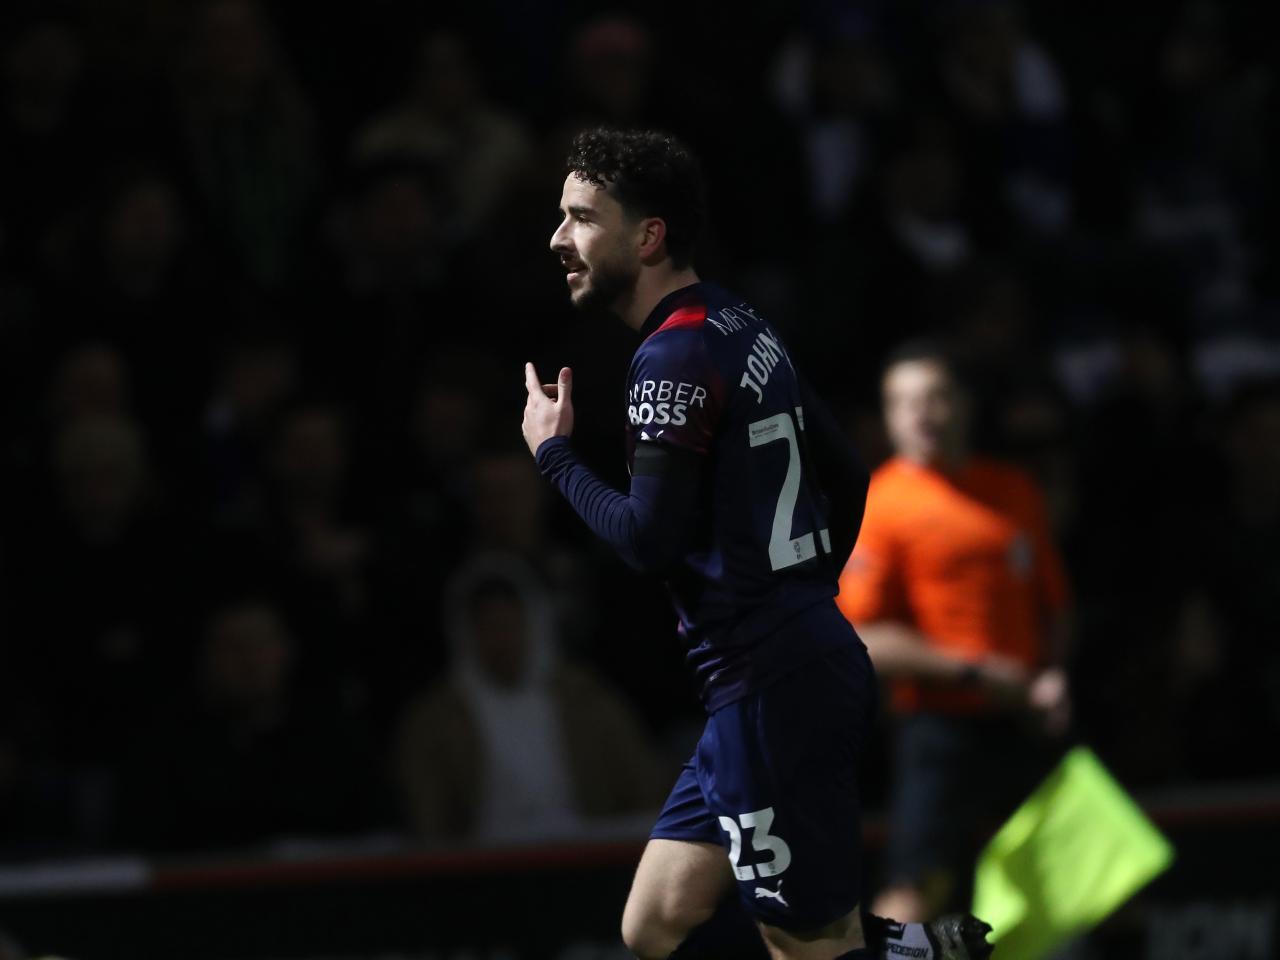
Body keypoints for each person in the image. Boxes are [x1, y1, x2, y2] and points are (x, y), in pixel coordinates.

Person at [520, 128, 992, 960]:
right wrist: (802, 597)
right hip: (783, 667)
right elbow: (849, 473)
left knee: (802, 949)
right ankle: (904, 948)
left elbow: (645, 542)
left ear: (650, 234)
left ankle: (885, 951)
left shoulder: (669, 359)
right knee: (654, 923)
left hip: (769, 686)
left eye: (582, 217)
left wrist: (554, 455)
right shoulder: (738, 319)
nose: (559, 239)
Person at [836, 340, 1071, 923]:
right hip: (937, 731)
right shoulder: (883, 503)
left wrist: (1054, 676)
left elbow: (1055, 604)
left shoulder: (1013, 489)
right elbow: (859, 637)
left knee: (1095, 877)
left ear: (963, 405)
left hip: (1028, 721)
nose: (923, 414)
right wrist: (975, 673)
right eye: (904, 402)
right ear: (888, 417)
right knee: (915, 894)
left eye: (936, 397)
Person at [393, 552, 666, 843]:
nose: (502, 642)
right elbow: (427, 820)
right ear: (465, 634)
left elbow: (642, 788)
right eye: (489, 629)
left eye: (509, 626)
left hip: (585, 853)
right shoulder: (436, 720)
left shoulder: (587, 700)